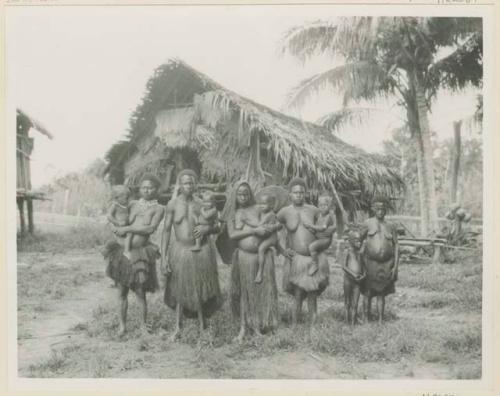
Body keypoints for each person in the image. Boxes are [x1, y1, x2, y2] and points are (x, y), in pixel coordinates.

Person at [161, 169, 222, 341]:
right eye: (186, 182)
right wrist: (164, 258)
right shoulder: (172, 205)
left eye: (192, 182)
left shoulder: (202, 203)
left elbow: (217, 225)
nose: (189, 185)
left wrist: (208, 228)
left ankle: (202, 324)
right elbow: (166, 231)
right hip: (180, 250)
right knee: (179, 289)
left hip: (200, 250)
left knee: (199, 288)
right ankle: (178, 326)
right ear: (179, 184)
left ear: (196, 184)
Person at [110, 174, 165, 336]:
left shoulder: (159, 208)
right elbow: (116, 216)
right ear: (139, 189)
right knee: (121, 292)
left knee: (140, 292)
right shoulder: (131, 204)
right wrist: (115, 226)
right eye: (143, 187)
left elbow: (149, 229)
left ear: (156, 189)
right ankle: (122, 326)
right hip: (122, 252)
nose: (147, 190)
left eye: (150, 187)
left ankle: (143, 326)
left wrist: (127, 229)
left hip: (140, 254)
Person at [226, 181, 279, 342]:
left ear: (250, 195)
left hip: (261, 256)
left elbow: (271, 226)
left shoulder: (258, 208)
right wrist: (253, 230)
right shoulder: (232, 213)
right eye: (240, 194)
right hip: (244, 257)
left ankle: (258, 325)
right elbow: (233, 235)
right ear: (235, 195)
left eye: (246, 194)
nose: (243, 197)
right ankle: (243, 327)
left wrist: (270, 232)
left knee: (261, 291)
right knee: (245, 293)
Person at [277, 178, 332, 325]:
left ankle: (313, 324)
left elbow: (324, 227)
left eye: (301, 192)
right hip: (297, 259)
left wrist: (324, 242)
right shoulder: (284, 212)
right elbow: (273, 231)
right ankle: (295, 324)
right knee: (298, 294)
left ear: (305, 193)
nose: (299, 195)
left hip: (312, 258)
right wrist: (282, 250)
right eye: (295, 193)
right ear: (290, 194)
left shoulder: (314, 210)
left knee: (312, 293)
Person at [359, 197, 399, 324]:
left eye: (383, 209)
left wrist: (395, 266)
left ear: (386, 210)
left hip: (386, 264)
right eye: (378, 209)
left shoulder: (391, 226)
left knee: (381, 293)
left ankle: (381, 320)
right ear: (373, 209)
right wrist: (360, 261)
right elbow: (357, 239)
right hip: (370, 263)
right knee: (368, 292)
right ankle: (366, 319)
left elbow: (397, 245)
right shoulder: (367, 223)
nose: (380, 211)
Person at [240, 193, 282, 284]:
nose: (261, 206)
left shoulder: (270, 214)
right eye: (260, 203)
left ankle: (260, 272)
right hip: (266, 235)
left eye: (264, 204)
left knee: (261, 249)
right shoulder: (262, 212)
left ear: (271, 205)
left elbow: (259, 225)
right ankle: (278, 247)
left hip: (271, 237)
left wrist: (246, 221)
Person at [103, 185, 131, 287]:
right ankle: (113, 280)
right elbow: (109, 216)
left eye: (129, 197)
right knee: (113, 258)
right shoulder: (115, 205)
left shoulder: (129, 206)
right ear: (117, 198)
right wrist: (117, 222)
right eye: (125, 197)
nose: (127, 199)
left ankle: (123, 279)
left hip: (126, 232)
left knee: (123, 257)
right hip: (117, 232)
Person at [302, 195, 336, 275]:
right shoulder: (320, 216)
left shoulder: (328, 217)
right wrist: (309, 228)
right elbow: (316, 229)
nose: (323, 207)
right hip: (319, 237)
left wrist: (310, 226)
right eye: (321, 205)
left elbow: (322, 228)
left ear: (329, 206)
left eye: (325, 205)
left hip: (325, 240)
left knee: (312, 247)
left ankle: (315, 264)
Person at [342, 227, 365, 325]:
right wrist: (354, 274)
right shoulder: (347, 252)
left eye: (360, 241)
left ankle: (353, 323)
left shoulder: (360, 254)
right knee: (347, 302)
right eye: (356, 241)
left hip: (357, 282)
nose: (359, 243)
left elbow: (364, 268)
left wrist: (364, 275)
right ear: (351, 241)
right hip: (348, 281)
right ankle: (347, 321)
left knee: (355, 303)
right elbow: (344, 266)